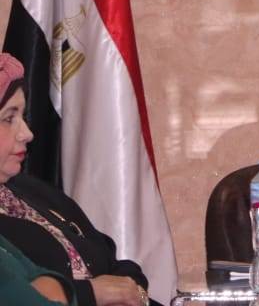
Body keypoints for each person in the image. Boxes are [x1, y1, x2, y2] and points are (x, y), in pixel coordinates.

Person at [0, 53, 154, 306]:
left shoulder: (32, 190)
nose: (27, 134)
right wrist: (93, 292)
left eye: (23, 117)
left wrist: (127, 291)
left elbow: (116, 263)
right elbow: (25, 295)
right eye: (9, 118)